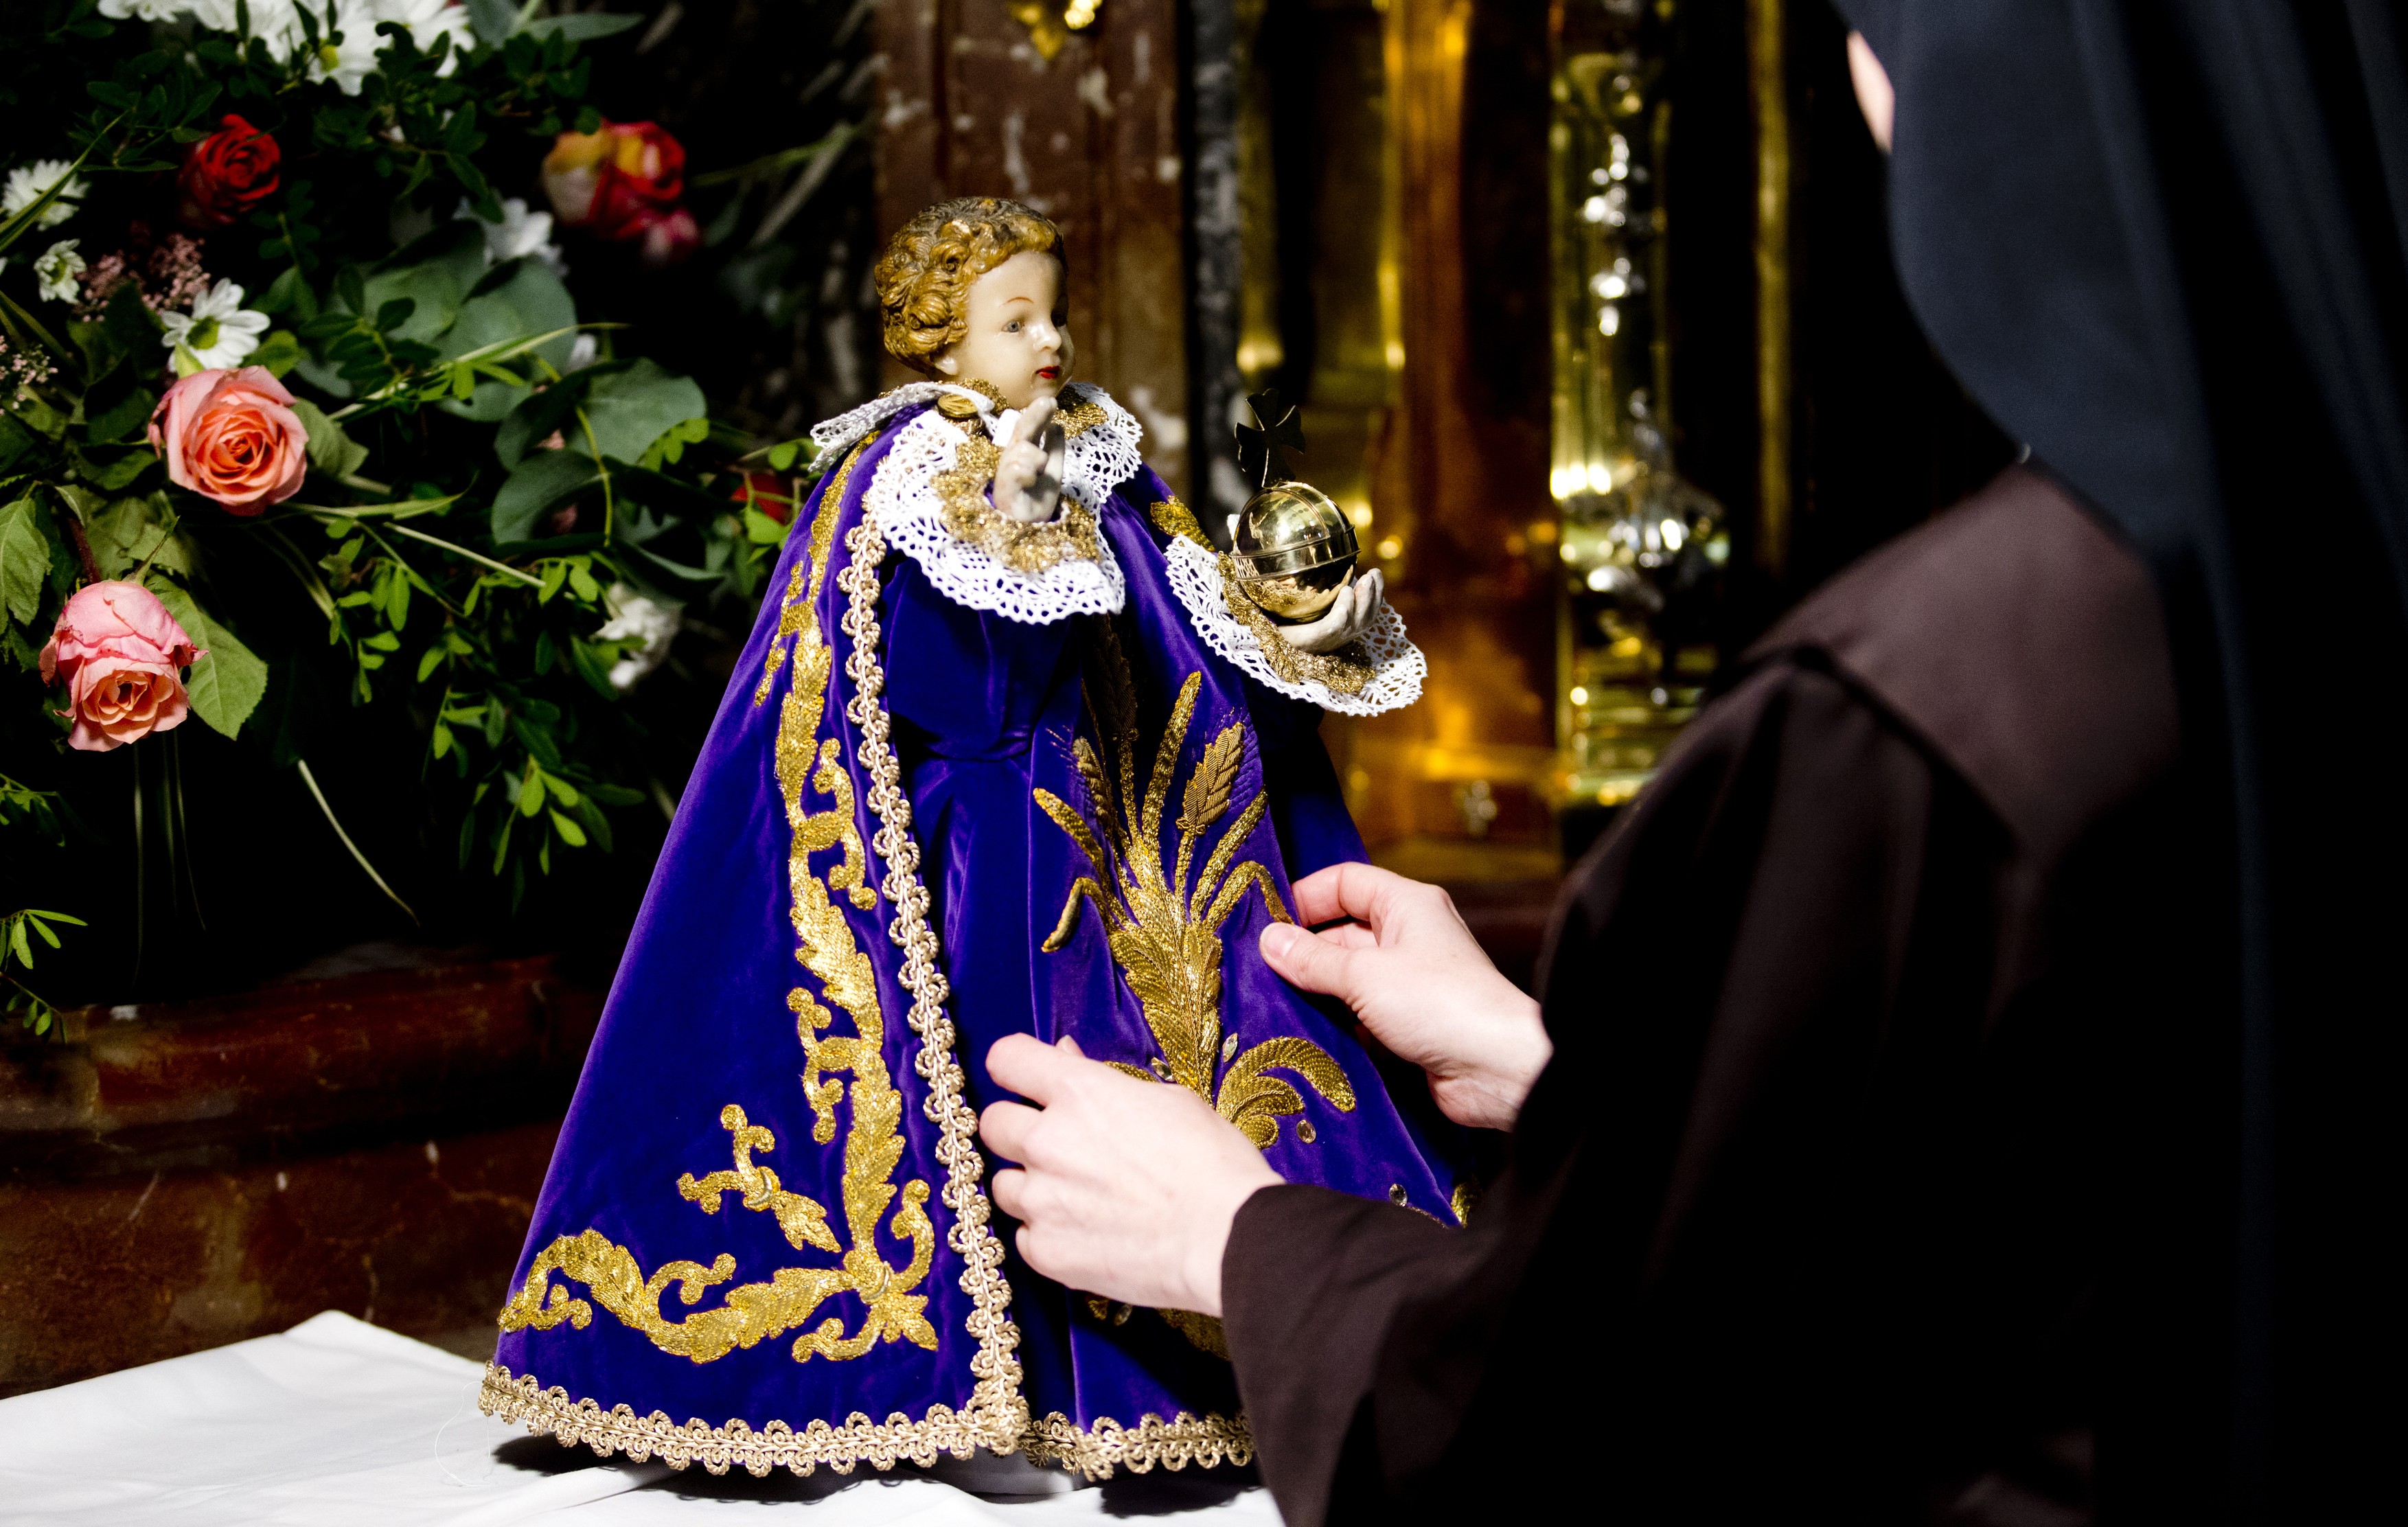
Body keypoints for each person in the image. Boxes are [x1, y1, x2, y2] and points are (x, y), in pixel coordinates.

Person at [978, 6, 2408, 1519]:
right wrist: (1578, 1071)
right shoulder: (2324, 563)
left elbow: (1567, 1441)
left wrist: (1231, 1233)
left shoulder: (1909, 711)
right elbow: (2104, 1175)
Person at [479, 196, 1463, 1481]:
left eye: (1056, 312)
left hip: (1140, 836)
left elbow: (1185, 627)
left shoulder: (1093, 449)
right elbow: (945, 693)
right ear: (943, 339)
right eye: (1016, 319)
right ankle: (1026, 1369)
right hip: (998, 849)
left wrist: (1296, 622)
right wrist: (1015, 530)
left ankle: (1223, 1329)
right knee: (1013, 1079)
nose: (1050, 340)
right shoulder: (906, 478)